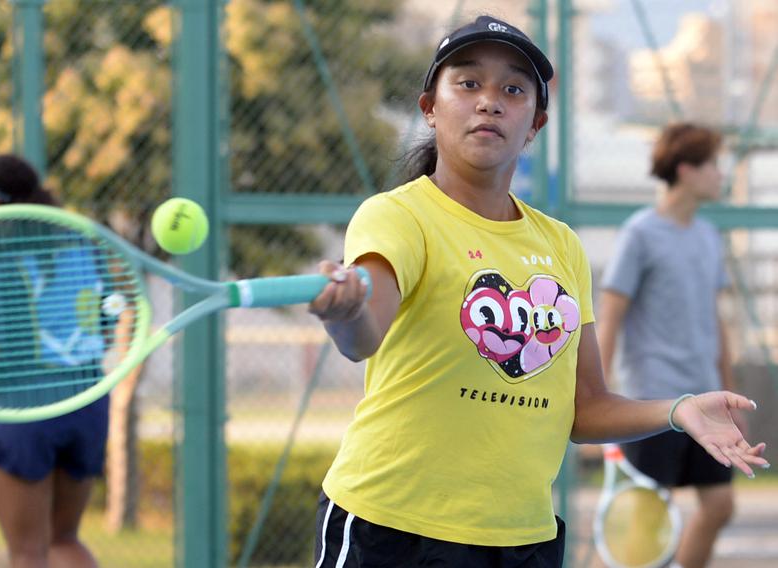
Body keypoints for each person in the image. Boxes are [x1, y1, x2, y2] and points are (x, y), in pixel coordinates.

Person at [307, 15, 768, 567]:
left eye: (513, 90)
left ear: (535, 124)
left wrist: (681, 409)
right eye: (469, 83)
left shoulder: (562, 245)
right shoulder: (397, 216)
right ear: (430, 108)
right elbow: (364, 333)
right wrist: (345, 312)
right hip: (392, 530)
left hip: (522, 539)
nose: (489, 102)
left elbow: (587, 409)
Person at [0, 154, 106, 568]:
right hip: (87, 402)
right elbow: (103, 326)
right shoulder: (82, 247)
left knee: (27, 552)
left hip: (24, 408)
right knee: (63, 539)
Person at [598, 123, 742, 568]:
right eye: (713, 165)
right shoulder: (639, 233)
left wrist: (728, 396)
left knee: (719, 506)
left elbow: (716, 322)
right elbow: (611, 318)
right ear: (685, 170)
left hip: (705, 399)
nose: (722, 175)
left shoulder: (707, 237)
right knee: (640, 527)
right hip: (654, 402)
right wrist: (595, 400)